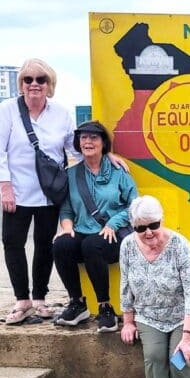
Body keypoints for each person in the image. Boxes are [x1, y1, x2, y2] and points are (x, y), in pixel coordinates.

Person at [0, 58, 128, 324]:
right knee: (13, 243)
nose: (34, 84)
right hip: (16, 191)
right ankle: (22, 299)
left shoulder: (61, 113)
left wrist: (106, 155)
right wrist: (4, 186)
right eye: (28, 80)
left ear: (50, 85)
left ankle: (39, 298)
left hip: (50, 192)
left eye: (41, 79)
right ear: (21, 84)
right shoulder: (7, 110)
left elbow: (75, 148)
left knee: (45, 245)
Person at [119, 195, 190, 378]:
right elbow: (125, 285)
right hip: (150, 316)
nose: (149, 232)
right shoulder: (128, 246)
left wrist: (188, 336)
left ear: (161, 221)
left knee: (179, 360)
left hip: (187, 314)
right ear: (134, 227)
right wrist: (128, 322)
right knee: (153, 358)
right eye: (142, 228)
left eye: (154, 225)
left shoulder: (179, 244)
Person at [52, 121, 137, 332]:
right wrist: (67, 226)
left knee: (92, 244)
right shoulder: (72, 174)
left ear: (103, 143)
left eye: (94, 137)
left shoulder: (119, 171)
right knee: (61, 245)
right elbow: (66, 209)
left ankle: (105, 307)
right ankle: (77, 303)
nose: (88, 142)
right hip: (82, 230)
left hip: (114, 234)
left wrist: (112, 223)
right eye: (83, 138)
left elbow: (135, 206)